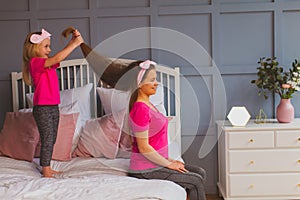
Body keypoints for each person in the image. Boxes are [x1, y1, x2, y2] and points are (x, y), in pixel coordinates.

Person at [126, 60, 207, 200]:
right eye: (152, 80)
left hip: (156, 162)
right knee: (195, 181)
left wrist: (170, 160)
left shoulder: (149, 105)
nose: (156, 83)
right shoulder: (140, 109)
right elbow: (144, 147)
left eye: (155, 79)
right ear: (139, 84)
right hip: (144, 169)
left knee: (200, 172)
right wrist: (169, 164)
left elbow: (155, 142)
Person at [22, 28, 84, 178]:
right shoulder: (35, 63)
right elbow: (56, 58)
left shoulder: (47, 64)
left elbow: (58, 58)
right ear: (34, 48)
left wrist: (71, 42)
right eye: (46, 46)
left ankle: (47, 166)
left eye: (49, 46)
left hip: (53, 106)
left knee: (53, 137)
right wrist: (75, 45)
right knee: (48, 138)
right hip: (42, 108)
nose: (49, 50)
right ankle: (46, 169)